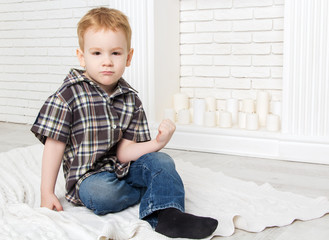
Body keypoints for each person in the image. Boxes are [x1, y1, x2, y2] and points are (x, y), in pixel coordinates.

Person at [31, 7, 218, 239]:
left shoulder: (131, 99)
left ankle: (168, 215)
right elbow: (54, 145)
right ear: (82, 57)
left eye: (116, 53)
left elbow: (124, 153)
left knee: (162, 161)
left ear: (128, 57)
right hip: (89, 179)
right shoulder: (68, 96)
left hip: (123, 169)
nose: (107, 62)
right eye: (97, 53)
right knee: (101, 193)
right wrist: (46, 191)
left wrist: (157, 143)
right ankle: (154, 191)